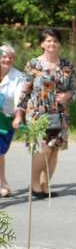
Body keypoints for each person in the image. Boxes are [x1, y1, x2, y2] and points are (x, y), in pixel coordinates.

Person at [13, 28, 76, 198]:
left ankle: (45, 185)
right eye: (48, 40)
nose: (52, 44)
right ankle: (35, 185)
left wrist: (68, 96)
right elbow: (25, 91)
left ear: (59, 43)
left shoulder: (68, 65)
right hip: (37, 113)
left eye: (55, 40)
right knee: (42, 149)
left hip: (60, 113)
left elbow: (75, 89)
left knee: (54, 148)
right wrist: (19, 114)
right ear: (42, 44)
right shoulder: (33, 64)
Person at [0, 44, 24, 197]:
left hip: (7, 119)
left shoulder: (18, 77)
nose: (7, 59)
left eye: (11, 57)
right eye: (4, 56)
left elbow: (19, 98)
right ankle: (2, 182)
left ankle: (2, 181)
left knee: (0, 152)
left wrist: (19, 116)